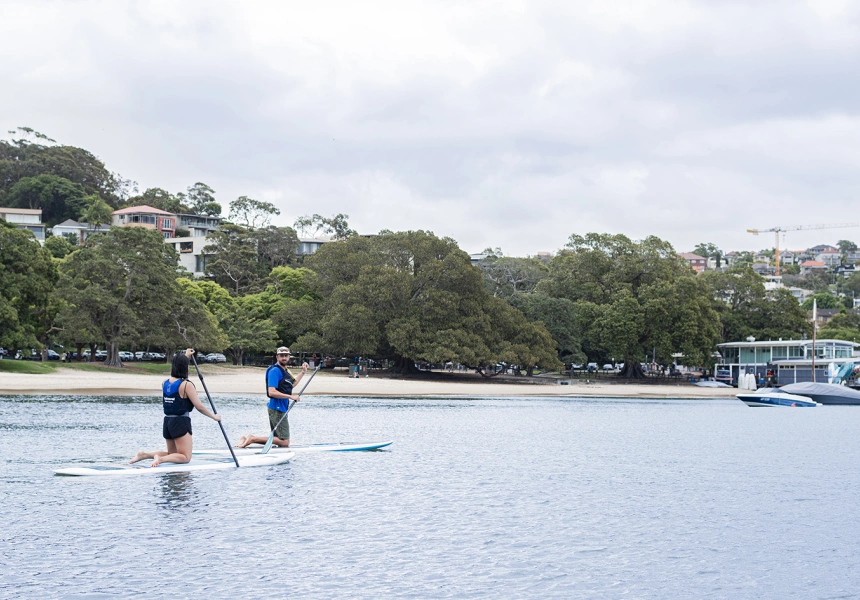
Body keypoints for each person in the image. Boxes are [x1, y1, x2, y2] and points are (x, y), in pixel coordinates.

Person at [129, 348, 221, 467]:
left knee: (172, 454)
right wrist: (214, 417)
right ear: (185, 367)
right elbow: (199, 406)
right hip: (180, 422)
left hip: (168, 422)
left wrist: (185, 356)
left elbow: (179, 367)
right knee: (185, 457)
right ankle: (159, 459)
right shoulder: (186, 385)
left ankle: (144, 455)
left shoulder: (165, 383)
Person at [236, 346, 308, 448]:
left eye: (286, 356)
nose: (284, 358)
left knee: (278, 439)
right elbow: (272, 392)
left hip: (280, 408)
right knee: (284, 441)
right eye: (281, 356)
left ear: (289, 357)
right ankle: (252, 438)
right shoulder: (275, 371)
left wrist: (303, 372)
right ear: (277, 357)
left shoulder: (285, 370)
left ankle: (245, 439)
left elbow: (291, 385)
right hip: (277, 409)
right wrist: (291, 397)